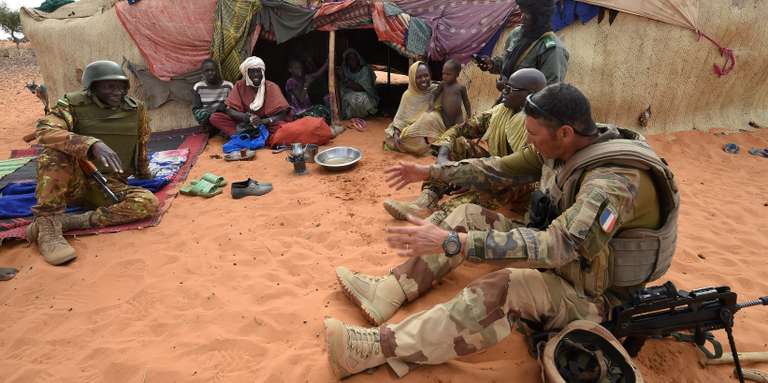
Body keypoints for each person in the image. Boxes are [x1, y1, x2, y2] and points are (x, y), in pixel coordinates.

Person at [323, 83, 679, 379]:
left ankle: (378, 348)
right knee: (467, 212)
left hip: (594, 297)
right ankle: (390, 290)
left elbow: (559, 247)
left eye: (534, 135)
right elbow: (497, 170)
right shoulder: (571, 145)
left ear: (565, 133)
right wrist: (432, 174)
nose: (531, 142)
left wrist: (454, 242)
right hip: (566, 264)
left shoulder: (612, 184)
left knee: (505, 287)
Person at [26, 60, 160, 266]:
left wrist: (144, 172)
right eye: (110, 86)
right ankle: (48, 227)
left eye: (122, 86)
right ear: (92, 86)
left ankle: (67, 222)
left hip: (108, 184)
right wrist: (90, 143)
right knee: (53, 153)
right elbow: (44, 131)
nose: (118, 91)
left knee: (147, 203)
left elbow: (141, 141)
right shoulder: (72, 104)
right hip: (74, 182)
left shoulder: (136, 109)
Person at [383, 68, 547, 223]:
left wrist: (469, 177)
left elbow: (505, 170)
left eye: (510, 89)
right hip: (499, 167)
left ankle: (442, 215)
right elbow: (460, 129)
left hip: (523, 184)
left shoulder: (540, 127)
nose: (503, 91)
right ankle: (426, 200)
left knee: (497, 182)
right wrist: (443, 154)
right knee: (457, 143)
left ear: (530, 95)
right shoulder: (501, 112)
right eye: (505, 86)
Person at [476, 0, 568, 97]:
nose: (521, 17)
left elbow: (549, 93)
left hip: (527, 110)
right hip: (506, 102)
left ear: (539, 18)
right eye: (522, 12)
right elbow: (508, 63)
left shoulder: (553, 49)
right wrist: (492, 64)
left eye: (527, 15)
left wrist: (510, 88)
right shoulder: (517, 33)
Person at [209, 57, 290, 136]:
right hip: (244, 123)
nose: (256, 75)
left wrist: (263, 121)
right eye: (251, 72)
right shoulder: (239, 86)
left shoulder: (271, 87)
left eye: (258, 71)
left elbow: (282, 114)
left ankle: (253, 135)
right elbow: (229, 110)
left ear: (262, 72)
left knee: (284, 127)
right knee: (215, 117)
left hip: (266, 124)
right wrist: (246, 117)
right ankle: (243, 135)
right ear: (246, 74)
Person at [383, 61, 437, 154]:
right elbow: (400, 118)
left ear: (430, 75)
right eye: (419, 77)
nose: (424, 79)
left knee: (430, 120)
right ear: (412, 79)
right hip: (411, 131)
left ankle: (423, 145)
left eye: (426, 75)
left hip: (427, 130)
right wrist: (396, 133)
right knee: (391, 137)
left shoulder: (436, 90)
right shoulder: (408, 95)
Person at [192, 59, 234, 132]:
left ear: (218, 71)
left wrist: (223, 109)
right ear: (203, 73)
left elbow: (232, 105)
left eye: (213, 70)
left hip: (223, 117)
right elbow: (196, 110)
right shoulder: (198, 87)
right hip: (208, 120)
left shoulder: (228, 86)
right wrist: (215, 110)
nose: (210, 73)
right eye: (207, 71)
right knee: (202, 114)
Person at [429, 59, 471, 129]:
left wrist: (469, 114)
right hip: (445, 116)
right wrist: (431, 102)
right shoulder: (443, 85)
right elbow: (435, 94)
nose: (444, 76)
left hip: (458, 117)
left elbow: (466, 101)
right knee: (445, 133)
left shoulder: (461, 87)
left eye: (448, 74)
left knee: (458, 131)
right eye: (443, 73)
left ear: (457, 74)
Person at [338, 48, 379, 119]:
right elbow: (341, 84)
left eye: (353, 58)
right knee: (338, 95)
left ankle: (364, 114)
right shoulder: (346, 70)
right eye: (349, 59)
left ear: (358, 59)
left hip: (366, 94)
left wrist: (346, 81)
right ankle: (349, 115)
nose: (352, 61)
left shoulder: (365, 70)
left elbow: (362, 88)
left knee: (360, 98)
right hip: (350, 92)